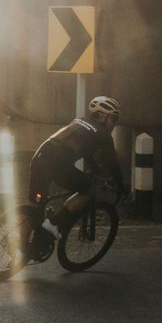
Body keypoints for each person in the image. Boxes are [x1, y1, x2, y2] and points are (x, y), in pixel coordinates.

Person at [28, 95, 125, 237]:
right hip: (58, 165)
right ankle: (54, 223)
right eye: (113, 119)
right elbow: (113, 165)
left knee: (34, 206)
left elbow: (86, 150)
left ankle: (21, 248)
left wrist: (95, 169)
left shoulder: (79, 120)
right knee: (88, 189)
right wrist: (121, 187)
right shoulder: (104, 135)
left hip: (40, 156)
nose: (114, 124)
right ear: (103, 116)